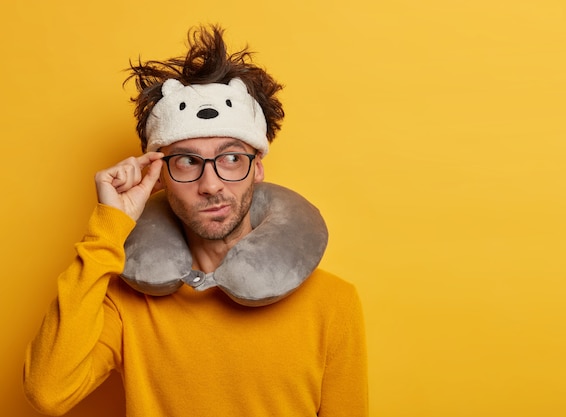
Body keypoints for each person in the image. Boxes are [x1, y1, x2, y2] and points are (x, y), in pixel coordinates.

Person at [23, 25, 368, 417]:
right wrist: (108, 226)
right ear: (159, 174)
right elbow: (47, 392)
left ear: (257, 168)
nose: (211, 184)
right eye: (187, 160)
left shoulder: (332, 303)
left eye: (232, 158)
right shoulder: (126, 302)